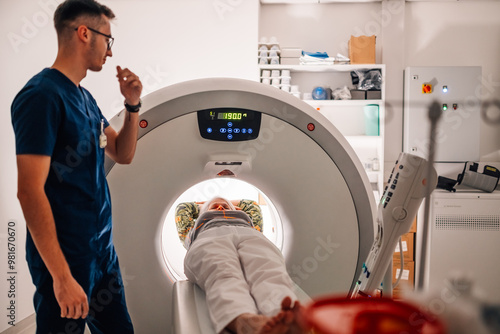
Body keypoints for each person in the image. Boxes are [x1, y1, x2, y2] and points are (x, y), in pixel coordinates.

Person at [11, 0, 142, 332]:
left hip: (101, 253)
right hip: (66, 258)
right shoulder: (41, 96)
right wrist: (62, 277)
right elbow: (29, 191)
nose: (110, 52)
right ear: (85, 33)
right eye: (107, 40)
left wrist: (132, 105)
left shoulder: (84, 99)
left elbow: (122, 153)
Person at [181, 197, 302, 334]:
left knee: (267, 269)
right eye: (214, 207)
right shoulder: (193, 226)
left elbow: (252, 205)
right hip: (209, 236)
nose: (221, 208)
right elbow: (183, 208)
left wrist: (224, 203)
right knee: (222, 272)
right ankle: (244, 320)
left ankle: (284, 315)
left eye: (226, 206)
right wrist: (207, 204)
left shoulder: (249, 220)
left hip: (249, 234)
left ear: (238, 209)